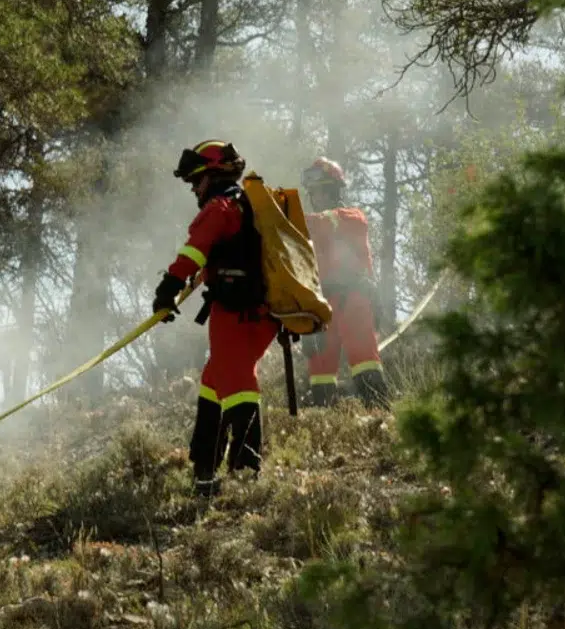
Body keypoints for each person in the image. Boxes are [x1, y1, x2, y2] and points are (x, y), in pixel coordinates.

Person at [151, 140, 281, 497]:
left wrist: (167, 289)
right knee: (214, 379)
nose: (194, 189)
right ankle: (204, 468)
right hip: (263, 312)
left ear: (211, 175)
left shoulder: (220, 208)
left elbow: (194, 250)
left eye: (196, 181)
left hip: (236, 311)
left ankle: (245, 471)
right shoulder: (248, 206)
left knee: (238, 382)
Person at [300, 157, 390, 409]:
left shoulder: (351, 218)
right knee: (319, 369)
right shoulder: (313, 227)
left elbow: (325, 222)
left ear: (331, 189)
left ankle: (380, 417)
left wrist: (291, 220)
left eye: (317, 190)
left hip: (355, 300)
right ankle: (325, 424)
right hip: (322, 305)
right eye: (311, 192)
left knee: (364, 362)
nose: (314, 196)